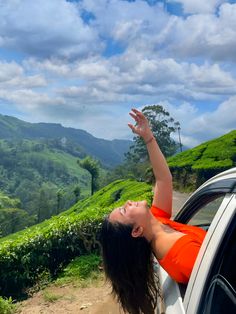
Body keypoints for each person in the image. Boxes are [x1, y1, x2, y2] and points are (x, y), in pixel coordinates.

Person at [100, 108, 206, 314]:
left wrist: (148, 137)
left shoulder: (157, 223)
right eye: (124, 210)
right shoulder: (180, 255)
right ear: (137, 231)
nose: (128, 201)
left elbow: (163, 179)